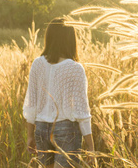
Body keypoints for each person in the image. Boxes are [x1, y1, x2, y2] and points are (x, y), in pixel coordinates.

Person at [23, 17, 95, 168]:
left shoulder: (37, 64)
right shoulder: (75, 68)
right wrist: (91, 146)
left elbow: (31, 104)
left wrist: (30, 135)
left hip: (41, 128)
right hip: (66, 130)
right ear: (71, 40)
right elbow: (82, 112)